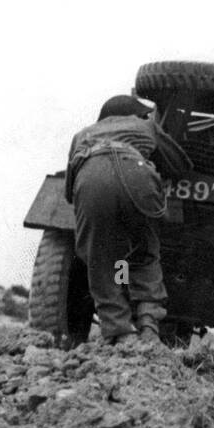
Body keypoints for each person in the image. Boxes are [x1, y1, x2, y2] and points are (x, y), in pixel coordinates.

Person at [64, 94, 191, 346]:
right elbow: (180, 164)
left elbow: (69, 192)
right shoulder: (144, 126)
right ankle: (149, 327)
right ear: (131, 114)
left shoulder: (82, 134)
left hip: (91, 178)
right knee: (144, 254)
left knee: (100, 260)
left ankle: (121, 333)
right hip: (137, 173)